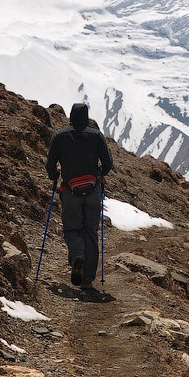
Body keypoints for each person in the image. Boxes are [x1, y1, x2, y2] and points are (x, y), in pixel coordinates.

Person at [45, 103, 114, 292]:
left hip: (70, 191)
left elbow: (50, 164)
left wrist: (54, 175)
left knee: (72, 230)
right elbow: (108, 163)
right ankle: (87, 280)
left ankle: (77, 255)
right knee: (90, 232)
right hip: (92, 190)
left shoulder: (60, 136)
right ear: (86, 116)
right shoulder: (96, 135)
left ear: (70, 116)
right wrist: (100, 173)